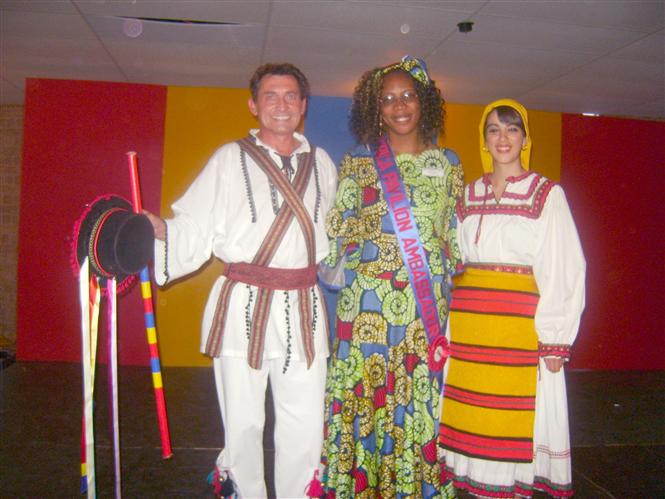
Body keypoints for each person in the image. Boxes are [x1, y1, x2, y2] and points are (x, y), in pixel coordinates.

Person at [144, 63, 337, 498]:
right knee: (244, 422)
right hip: (243, 307)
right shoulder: (228, 159)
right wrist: (163, 233)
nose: (281, 105)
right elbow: (193, 225)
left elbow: (334, 238)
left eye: (291, 96)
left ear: (303, 106)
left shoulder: (322, 163)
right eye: (270, 96)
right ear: (253, 105)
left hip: (304, 308)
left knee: (305, 423)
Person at [318, 56, 463, 498]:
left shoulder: (448, 163)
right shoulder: (359, 162)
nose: (399, 106)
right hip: (367, 309)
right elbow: (336, 230)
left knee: (415, 397)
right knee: (366, 394)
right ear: (374, 108)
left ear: (424, 102)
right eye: (387, 100)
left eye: (407, 96)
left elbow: (454, 239)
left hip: (423, 311)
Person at [439, 99, 586, 498]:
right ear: (484, 139)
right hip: (470, 330)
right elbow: (454, 258)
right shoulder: (468, 195)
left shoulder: (546, 194)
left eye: (511, 129)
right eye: (493, 129)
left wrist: (556, 336)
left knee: (510, 415)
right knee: (473, 411)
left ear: (524, 138)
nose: (503, 138)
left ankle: (507, 484)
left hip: (518, 329)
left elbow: (564, 264)